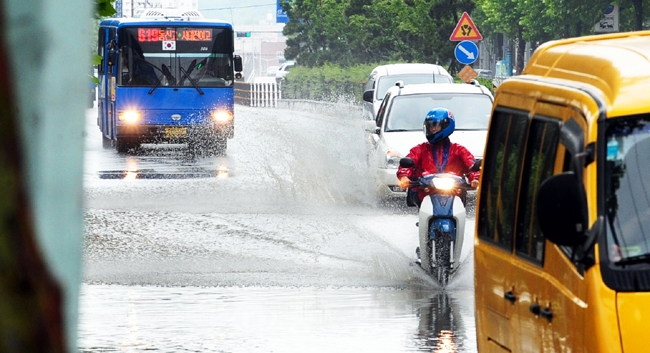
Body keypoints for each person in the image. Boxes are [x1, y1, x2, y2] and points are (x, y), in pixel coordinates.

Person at [396, 107, 480, 207]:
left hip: (455, 193)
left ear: (446, 125)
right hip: (426, 193)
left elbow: (471, 164)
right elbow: (408, 162)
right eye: (430, 126)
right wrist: (404, 176)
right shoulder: (421, 149)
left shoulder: (459, 150)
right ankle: (425, 222)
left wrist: (475, 178)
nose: (433, 129)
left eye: (436, 125)